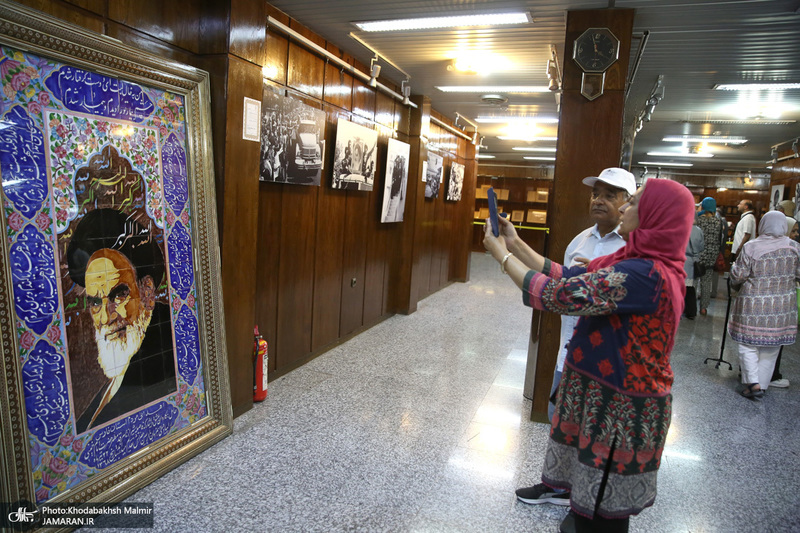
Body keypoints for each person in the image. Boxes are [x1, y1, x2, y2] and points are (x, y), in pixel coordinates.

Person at [484, 178, 694, 533]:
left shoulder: (643, 274)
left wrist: (500, 255)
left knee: (602, 520)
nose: (625, 208)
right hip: (607, 398)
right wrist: (514, 241)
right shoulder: (638, 261)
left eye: (634, 202)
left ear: (656, 215)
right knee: (589, 509)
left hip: (620, 410)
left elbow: (554, 294)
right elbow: (565, 276)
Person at [514, 167, 636, 507]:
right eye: (596, 193)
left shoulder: (633, 249)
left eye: (610, 195)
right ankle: (559, 486)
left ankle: (585, 499)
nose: (599, 200)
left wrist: (505, 255)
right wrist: (512, 244)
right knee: (562, 423)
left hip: (605, 363)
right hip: (570, 353)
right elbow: (559, 281)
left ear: (628, 203)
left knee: (594, 435)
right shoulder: (580, 241)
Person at [67, 209, 177, 433]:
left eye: (118, 295)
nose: (106, 317)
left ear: (146, 291)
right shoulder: (125, 360)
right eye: (96, 303)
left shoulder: (166, 347)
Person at [728, 211, 800, 399]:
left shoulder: (752, 246)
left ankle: (753, 383)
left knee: (748, 344)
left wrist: (733, 271)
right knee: (772, 346)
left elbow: (739, 275)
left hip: (753, 305)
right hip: (782, 308)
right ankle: (763, 385)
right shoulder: (795, 248)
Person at [695, 197, 723, 316]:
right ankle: (703, 308)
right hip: (711, 256)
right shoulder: (718, 222)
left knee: (694, 281)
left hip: (698, 254)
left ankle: (690, 305)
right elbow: (720, 239)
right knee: (706, 283)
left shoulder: (698, 220)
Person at [684, 223, 704, 319]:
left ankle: (679, 309)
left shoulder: (680, 228)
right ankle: (691, 312)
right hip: (694, 261)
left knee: (680, 287)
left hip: (682, 260)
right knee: (690, 288)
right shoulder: (698, 230)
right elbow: (701, 247)